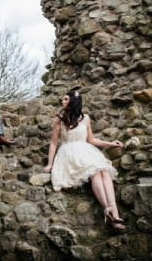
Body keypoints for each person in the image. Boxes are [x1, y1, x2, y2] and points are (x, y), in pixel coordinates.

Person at [43, 89, 126, 230]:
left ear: (73, 102)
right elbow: (53, 143)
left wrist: (111, 143)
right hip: (69, 153)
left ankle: (113, 212)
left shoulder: (86, 118)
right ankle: (108, 210)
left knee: (103, 171)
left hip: (86, 151)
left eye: (65, 99)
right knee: (95, 173)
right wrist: (50, 164)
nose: (62, 101)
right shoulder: (59, 119)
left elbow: (91, 140)